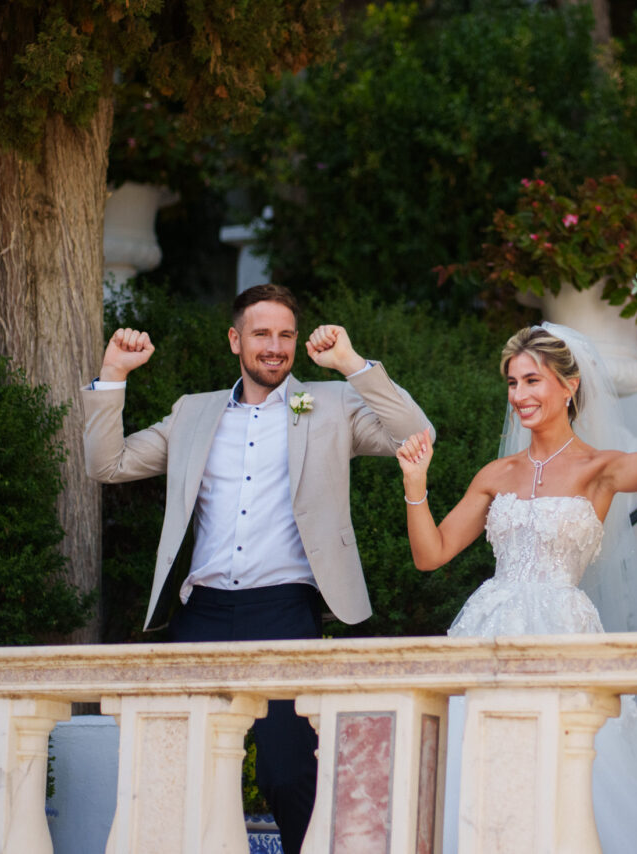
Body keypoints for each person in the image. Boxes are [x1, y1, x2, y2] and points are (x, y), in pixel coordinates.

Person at [82, 283, 433, 854]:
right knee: (180, 770)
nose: (275, 346)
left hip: (284, 610)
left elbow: (416, 435)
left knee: (287, 772)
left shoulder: (328, 403)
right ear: (235, 340)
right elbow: (108, 464)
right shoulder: (192, 412)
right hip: (202, 613)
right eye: (262, 334)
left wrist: (350, 364)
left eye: (286, 335)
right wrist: (113, 373)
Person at [394, 317, 637, 853]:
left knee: (569, 765)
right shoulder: (495, 473)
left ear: (569, 385)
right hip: (488, 632)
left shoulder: (597, 468)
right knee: (479, 762)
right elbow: (430, 554)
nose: (519, 394)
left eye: (532, 380)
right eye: (513, 382)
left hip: (563, 632)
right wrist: (415, 487)